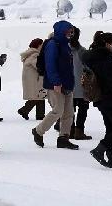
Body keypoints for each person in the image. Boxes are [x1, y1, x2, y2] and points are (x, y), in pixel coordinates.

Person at [83, 31, 112, 168]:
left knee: (110, 128)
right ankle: (99, 150)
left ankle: (111, 157)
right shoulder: (106, 61)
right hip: (109, 98)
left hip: (99, 98)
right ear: (107, 44)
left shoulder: (92, 58)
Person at [32, 20, 79, 150]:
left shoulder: (65, 44)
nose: (71, 33)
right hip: (56, 84)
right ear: (62, 31)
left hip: (67, 84)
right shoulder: (53, 44)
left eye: (72, 31)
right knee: (58, 110)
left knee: (69, 113)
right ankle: (38, 131)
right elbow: (50, 65)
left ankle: (64, 138)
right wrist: (56, 82)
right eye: (69, 31)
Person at [68, 27, 93, 140]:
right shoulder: (82, 51)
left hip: (68, 86)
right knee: (83, 109)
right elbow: (88, 68)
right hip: (82, 86)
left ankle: (71, 130)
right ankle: (79, 131)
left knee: (70, 109)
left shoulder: (64, 50)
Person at [18, 38, 46, 120]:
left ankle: (40, 115)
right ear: (38, 45)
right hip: (35, 80)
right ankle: (24, 110)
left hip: (32, 79)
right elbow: (38, 66)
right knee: (38, 96)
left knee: (41, 96)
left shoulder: (30, 53)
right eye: (42, 45)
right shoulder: (35, 55)